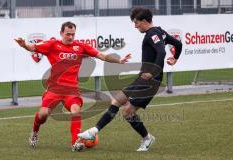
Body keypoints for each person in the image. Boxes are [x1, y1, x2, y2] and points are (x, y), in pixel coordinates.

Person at [78, 7, 182, 152]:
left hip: (150, 82)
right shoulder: (160, 31)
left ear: (144, 21)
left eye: (136, 22)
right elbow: (178, 44)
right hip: (142, 79)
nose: (135, 26)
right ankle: (94, 131)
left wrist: (153, 72)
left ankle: (147, 138)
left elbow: (162, 51)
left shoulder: (152, 33)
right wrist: (175, 58)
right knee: (116, 100)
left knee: (127, 112)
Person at [14, 21, 131, 151]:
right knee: (43, 114)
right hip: (54, 89)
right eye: (68, 34)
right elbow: (33, 47)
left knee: (76, 110)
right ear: (61, 33)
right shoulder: (52, 45)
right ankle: (35, 132)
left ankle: (76, 143)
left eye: (73, 34)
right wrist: (24, 44)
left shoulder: (80, 47)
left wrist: (118, 61)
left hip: (71, 90)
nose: (70, 37)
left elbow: (100, 55)